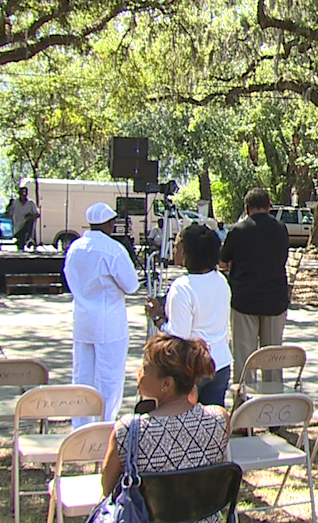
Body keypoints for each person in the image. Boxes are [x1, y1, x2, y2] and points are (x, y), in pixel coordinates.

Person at [102, 334, 229, 523]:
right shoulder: (219, 419)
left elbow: (108, 489)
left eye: (145, 368)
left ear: (166, 384)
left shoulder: (128, 430)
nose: (139, 372)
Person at [63, 202, 140, 427]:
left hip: (83, 319)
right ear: (109, 223)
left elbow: (70, 278)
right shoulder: (113, 249)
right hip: (109, 320)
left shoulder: (75, 247)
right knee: (109, 375)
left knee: (82, 374)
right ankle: (105, 423)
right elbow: (131, 285)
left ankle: (80, 424)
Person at [144, 225, 232, 407]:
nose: (173, 250)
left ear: (186, 252)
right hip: (221, 361)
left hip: (192, 367)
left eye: (176, 246)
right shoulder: (221, 280)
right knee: (211, 423)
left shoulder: (182, 287)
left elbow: (178, 336)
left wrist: (158, 319)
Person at [220, 188, 289, 383]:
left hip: (245, 299)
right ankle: (274, 398)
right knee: (273, 357)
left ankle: (244, 401)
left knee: (244, 356)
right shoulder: (280, 228)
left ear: (247, 209)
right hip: (275, 299)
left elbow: (224, 261)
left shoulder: (238, 230)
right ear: (269, 206)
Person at [6, 186, 40, 251]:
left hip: (26, 226)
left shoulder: (30, 203)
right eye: (22, 193)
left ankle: (29, 239)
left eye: (25, 193)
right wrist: (9, 205)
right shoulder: (15, 202)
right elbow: (7, 212)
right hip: (18, 227)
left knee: (30, 221)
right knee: (20, 246)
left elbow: (37, 214)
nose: (23, 195)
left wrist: (31, 215)